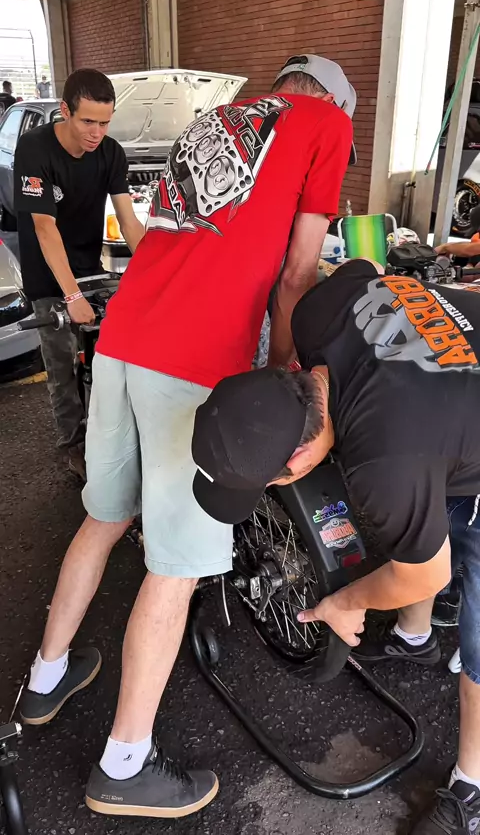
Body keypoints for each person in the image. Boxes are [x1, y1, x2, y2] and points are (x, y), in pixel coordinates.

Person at [18, 54, 356, 819]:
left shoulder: (219, 119)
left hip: (124, 339)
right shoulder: (326, 124)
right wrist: (281, 380)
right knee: (174, 570)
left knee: (104, 518)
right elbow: (297, 273)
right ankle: (124, 764)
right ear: (333, 103)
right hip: (192, 362)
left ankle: (45, 677)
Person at [191, 258, 480, 835]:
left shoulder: (384, 462)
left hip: (448, 418)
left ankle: (471, 788)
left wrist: (344, 603)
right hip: (449, 407)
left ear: (298, 459)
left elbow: (424, 575)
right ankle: (414, 638)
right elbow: (361, 265)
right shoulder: (315, 315)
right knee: (422, 518)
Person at [13, 68, 145, 480]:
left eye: (105, 123)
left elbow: (128, 220)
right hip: (48, 274)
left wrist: (154, 272)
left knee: (112, 357)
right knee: (62, 363)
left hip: (90, 266)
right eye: (88, 121)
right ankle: (72, 444)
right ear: (65, 111)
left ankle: (111, 435)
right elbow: (44, 227)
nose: (96, 133)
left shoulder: (111, 153)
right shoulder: (35, 148)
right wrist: (70, 297)